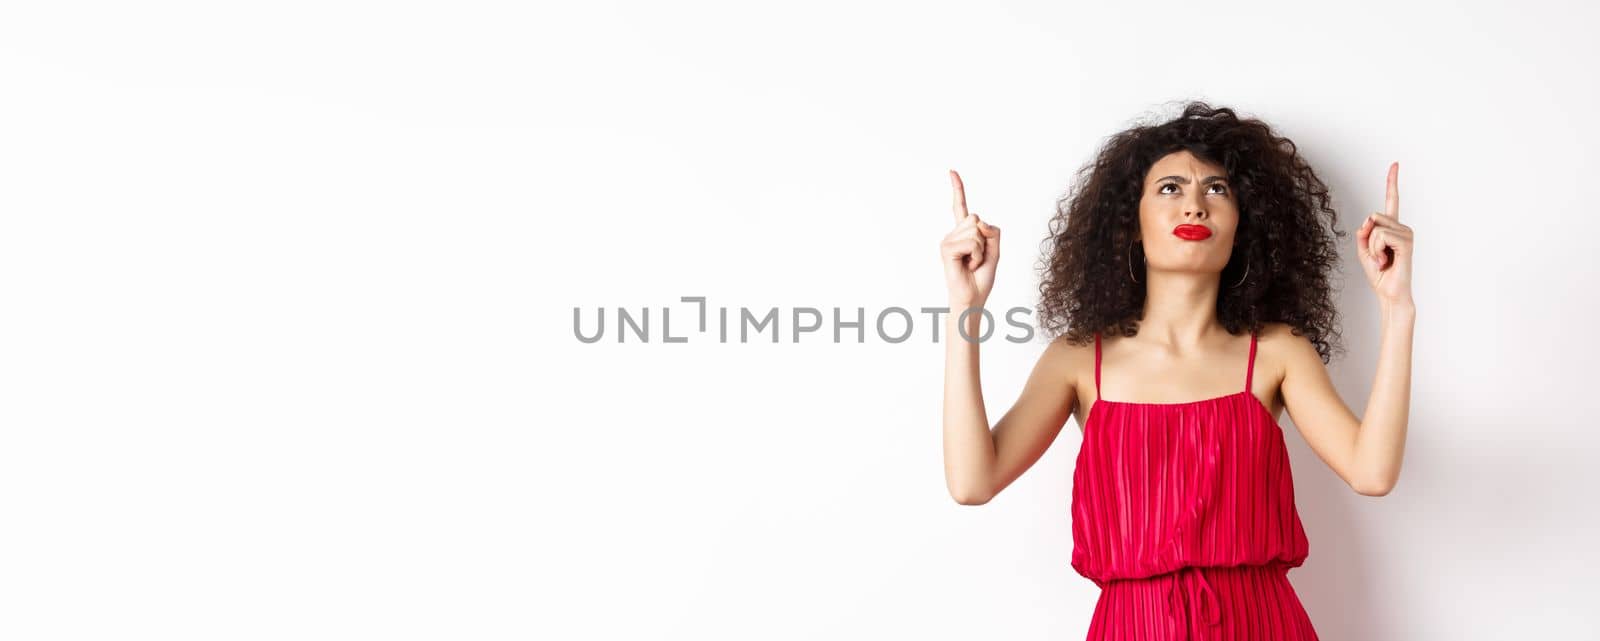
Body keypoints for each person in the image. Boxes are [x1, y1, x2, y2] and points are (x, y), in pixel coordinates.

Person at [938, 101, 1414, 640]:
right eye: (1169, 188)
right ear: (1131, 224)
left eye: (1217, 190)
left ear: (1244, 224)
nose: (1195, 207)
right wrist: (965, 309)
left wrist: (1398, 309)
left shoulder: (1278, 352)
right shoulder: (1078, 360)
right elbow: (972, 482)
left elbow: (1371, 473)